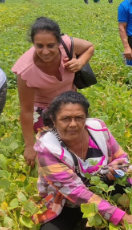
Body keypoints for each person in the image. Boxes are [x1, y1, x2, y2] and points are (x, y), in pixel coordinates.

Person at [32, 92, 132, 230]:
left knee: (127, 188)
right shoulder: (47, 149)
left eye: (79, 118)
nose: (73, 124)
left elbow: (122, 158)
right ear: (54, 121)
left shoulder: (98, 129)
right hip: (66, 202)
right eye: (65, 119)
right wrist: (121, 217)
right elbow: (77, 193)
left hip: (102, 187)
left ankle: (109, 221)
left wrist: (116, 172)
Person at [12, 17, 95, 167]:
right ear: (33, 44)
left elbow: (90, 47)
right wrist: (29, 146)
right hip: (44, 108)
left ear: (59, 42)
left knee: (78, 137)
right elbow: (26, 111)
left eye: (51, 45)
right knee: (52, 146)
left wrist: (80, 62)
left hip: (70, 102)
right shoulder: (25, 70)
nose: (45, 52)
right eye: (39, 46)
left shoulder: (67, 44)